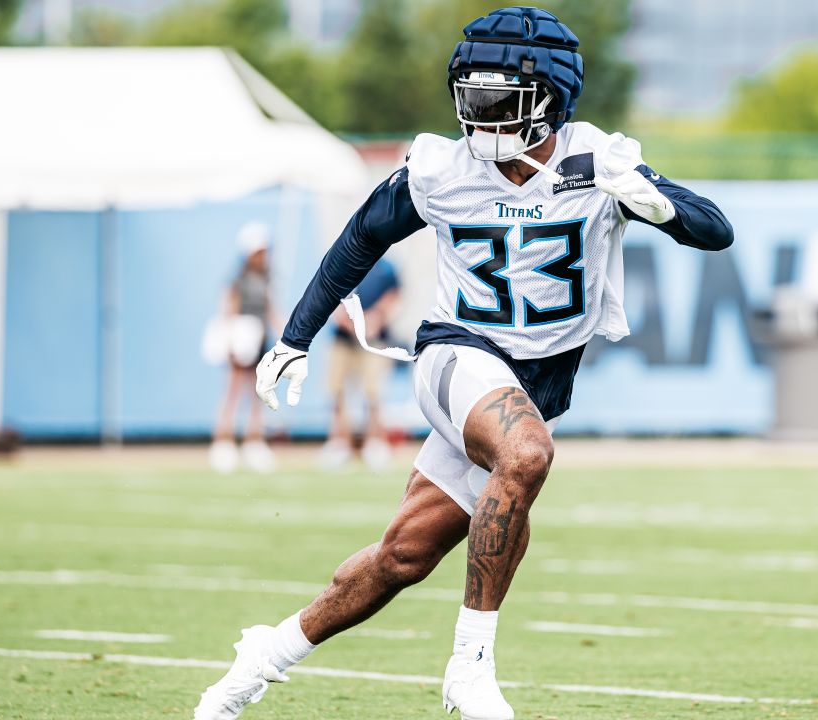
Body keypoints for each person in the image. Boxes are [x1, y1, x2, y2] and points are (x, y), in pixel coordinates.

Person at [194, 7, 733, 720]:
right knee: (528, 454)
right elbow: (357, 242)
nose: (479, 119)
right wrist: (295, 337)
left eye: (498, 102)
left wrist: (654, 202)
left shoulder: (593, 160)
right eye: (471, 99)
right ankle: (470, 668)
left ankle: (261, 658)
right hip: (457, 353)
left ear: (550, 103)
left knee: (401, 558)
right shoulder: (442, 169)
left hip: (533, 380)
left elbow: (715, 231)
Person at [318, 257, 401, 471]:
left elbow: (393, 296)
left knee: (373, 392)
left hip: (375, 338)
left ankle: (374, 443)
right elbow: (331, 293)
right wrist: (351, 323)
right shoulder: (342, 259)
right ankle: (339, 442)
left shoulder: (386, 267)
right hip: (342, 338)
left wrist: (376, 319)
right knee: (337, 391)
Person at [209, 222, 279, 474]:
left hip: (260, 341)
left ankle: (254, 442)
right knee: (233, 391)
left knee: (257, 393)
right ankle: (223, 442)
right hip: (240, 342)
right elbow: (228, 309)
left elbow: (271, 310)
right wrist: (229, 342)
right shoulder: (238, 280)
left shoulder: (266, 278)